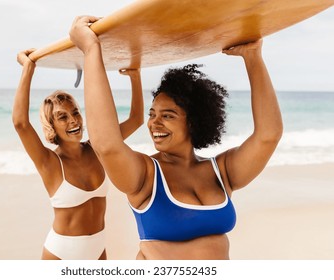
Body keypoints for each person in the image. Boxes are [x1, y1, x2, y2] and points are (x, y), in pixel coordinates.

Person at [70, 15, 283, 260]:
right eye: (152, 114)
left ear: (193, 121)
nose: (154, 123)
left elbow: (268, 135)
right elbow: (106, 145)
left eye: (167, 115)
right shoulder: (146, 175)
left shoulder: (221, 171)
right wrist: (90, 50)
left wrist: (253, 57)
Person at [12, 48, 144, 260]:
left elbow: (137, 119)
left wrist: (135, 76)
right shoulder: (49, 162)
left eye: (75, 113)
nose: (73, 120)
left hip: (98, 248)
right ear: (52, 126)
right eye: (62, 117)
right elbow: (20, 123)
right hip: (61, 253)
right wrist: (29, 67)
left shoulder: (98, 147)